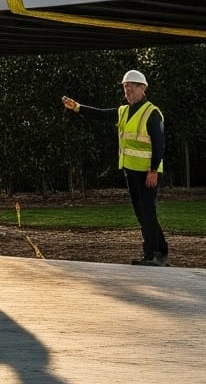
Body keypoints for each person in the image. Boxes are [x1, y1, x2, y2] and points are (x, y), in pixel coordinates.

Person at [61, 68, 169, 264]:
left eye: (131, 87)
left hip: (147, 172)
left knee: (147, 212)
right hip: (131, 170)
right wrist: (77, 107)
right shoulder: (124, 111)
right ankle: (160, 250)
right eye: (125, 87)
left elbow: (159, 144)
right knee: (143, 212)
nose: (127, 91)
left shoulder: (152, 113)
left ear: (143, 88)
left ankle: (151, 254)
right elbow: (101, 115)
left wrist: (153, 170)